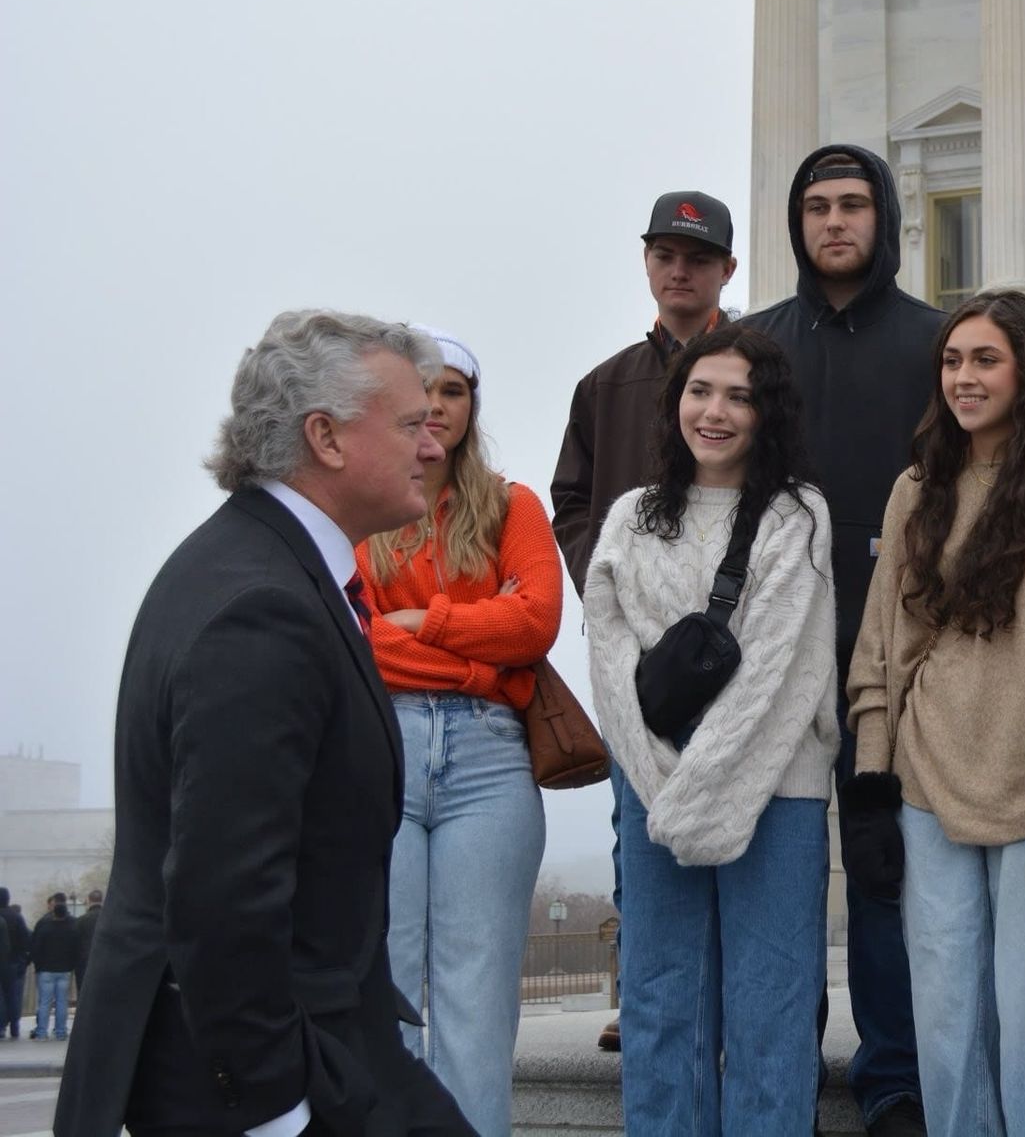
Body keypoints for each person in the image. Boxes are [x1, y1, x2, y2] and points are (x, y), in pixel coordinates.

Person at [55, 310, 475, 1137]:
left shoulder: (259, 567)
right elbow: (222, 894)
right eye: (412, 424)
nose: (435, 446)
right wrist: (279, 1111)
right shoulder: (264, 610)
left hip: (329, 1042)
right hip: (257, 1077)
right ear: (325, 437)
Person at [842, 290, 1025, 1137]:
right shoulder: (916, 484)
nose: (964, 378)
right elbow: (882, 643)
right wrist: (871, 777)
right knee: (945, 1016)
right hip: (927, 775)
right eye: (952, 361)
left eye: (985, 360)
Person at [585, 323, 839, 1134]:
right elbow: (610, 655)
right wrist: (661, 782)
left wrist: (694, 796)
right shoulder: (629, 517)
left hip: (775, 788)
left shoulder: (797, 516)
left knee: (771, 1008)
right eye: (701, 391)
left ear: (768, 411)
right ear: (676, 402)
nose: (716, 411)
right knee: (660, 1006)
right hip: (652, 782)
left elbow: (779, 671)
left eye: (739, 395)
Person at [741, 144, 941, 1136]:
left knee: (880, 873)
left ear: (885, 215)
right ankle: (785, 1073)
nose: (833, 222)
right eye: (816, 206)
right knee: (781, 873)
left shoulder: (934, 343)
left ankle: (893, 1078)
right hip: (776, 654)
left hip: (893, 653)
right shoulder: (755, 346)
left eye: (852, 203)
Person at [357, 327, 562, 1136]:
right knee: (388, 984)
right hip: (384, 751)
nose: (435, 407)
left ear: (471, 408)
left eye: (452, 391)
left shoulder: (512, 506)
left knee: (478, 998)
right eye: (421, 392)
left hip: (489, 761)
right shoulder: (363, 514)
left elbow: (536, 622)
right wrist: (480, 664)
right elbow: (354, 638)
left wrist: (426, 621)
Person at [553, 188, 737, 1055]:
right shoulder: (605, 386)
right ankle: (648, 999)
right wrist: (612, 590)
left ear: (725, 271)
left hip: (740, 642)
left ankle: (740, 994)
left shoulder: (755, 372)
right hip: (635, 652)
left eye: (697, 258)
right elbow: (572, 504)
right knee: (640, 819)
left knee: (747, 815)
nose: (679, 270)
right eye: (666, 255)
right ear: (647, 263)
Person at [27, 894, 78, 1040]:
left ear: (53, 913)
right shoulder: (72, 929)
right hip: (65, 970)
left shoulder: (45, 928)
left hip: (46, 971)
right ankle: (61, 1032)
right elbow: (75, 948)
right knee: (62, 1002)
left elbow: (36, 948)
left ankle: (42, 1032)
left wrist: (38, 966)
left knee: (45, 1002)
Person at [0, 891, 25, 1040]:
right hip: (13, 962)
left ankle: (1, 1027)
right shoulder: (16, 917)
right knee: (12, 995)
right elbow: (25, 940)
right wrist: (23, 961)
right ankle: (15, 1026)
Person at [74, 890, 102, 998]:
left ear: (89, 900)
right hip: (105, 961)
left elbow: (75, 941)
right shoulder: (109, 919)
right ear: (102, 900)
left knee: (84, 994)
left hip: (84, 961)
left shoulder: (81, 920)